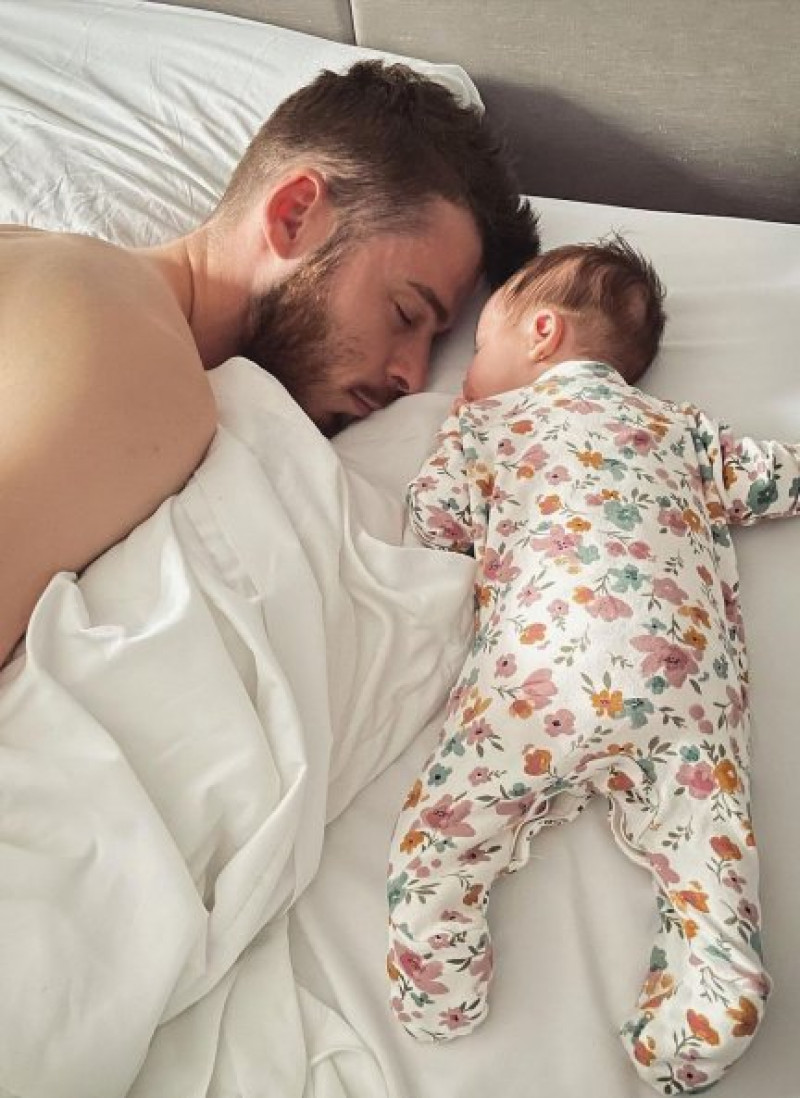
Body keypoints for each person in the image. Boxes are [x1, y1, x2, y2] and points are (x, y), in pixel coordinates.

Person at [386, 237, 790, 1092]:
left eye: (480, 346)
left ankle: (440, 989)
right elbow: (774, 478)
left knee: (441, 845)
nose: (464, 368)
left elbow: (437, 527)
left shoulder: (485, 425)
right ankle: (717, 991)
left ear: (539, 333)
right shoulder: (683, 432)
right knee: (708, 858)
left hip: (542, 683)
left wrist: (454, 478)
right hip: (683, 686)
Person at [0, 60, 540, 669]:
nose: (412, 377)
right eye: (405, 313)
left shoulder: (48, 263)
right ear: (293, 215)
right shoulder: (138, 358)